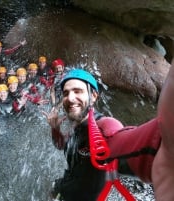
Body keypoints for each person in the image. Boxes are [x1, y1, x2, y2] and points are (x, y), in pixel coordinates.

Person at [42, 66, 174, 201]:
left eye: (78, 91)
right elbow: (63, 145)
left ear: (93, 96)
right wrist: (55, 129)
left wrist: (166, 142)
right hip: (66, 187)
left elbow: (126, 143)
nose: (70, 98)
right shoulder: (77, 125)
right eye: (66, 93)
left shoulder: (104, 126)